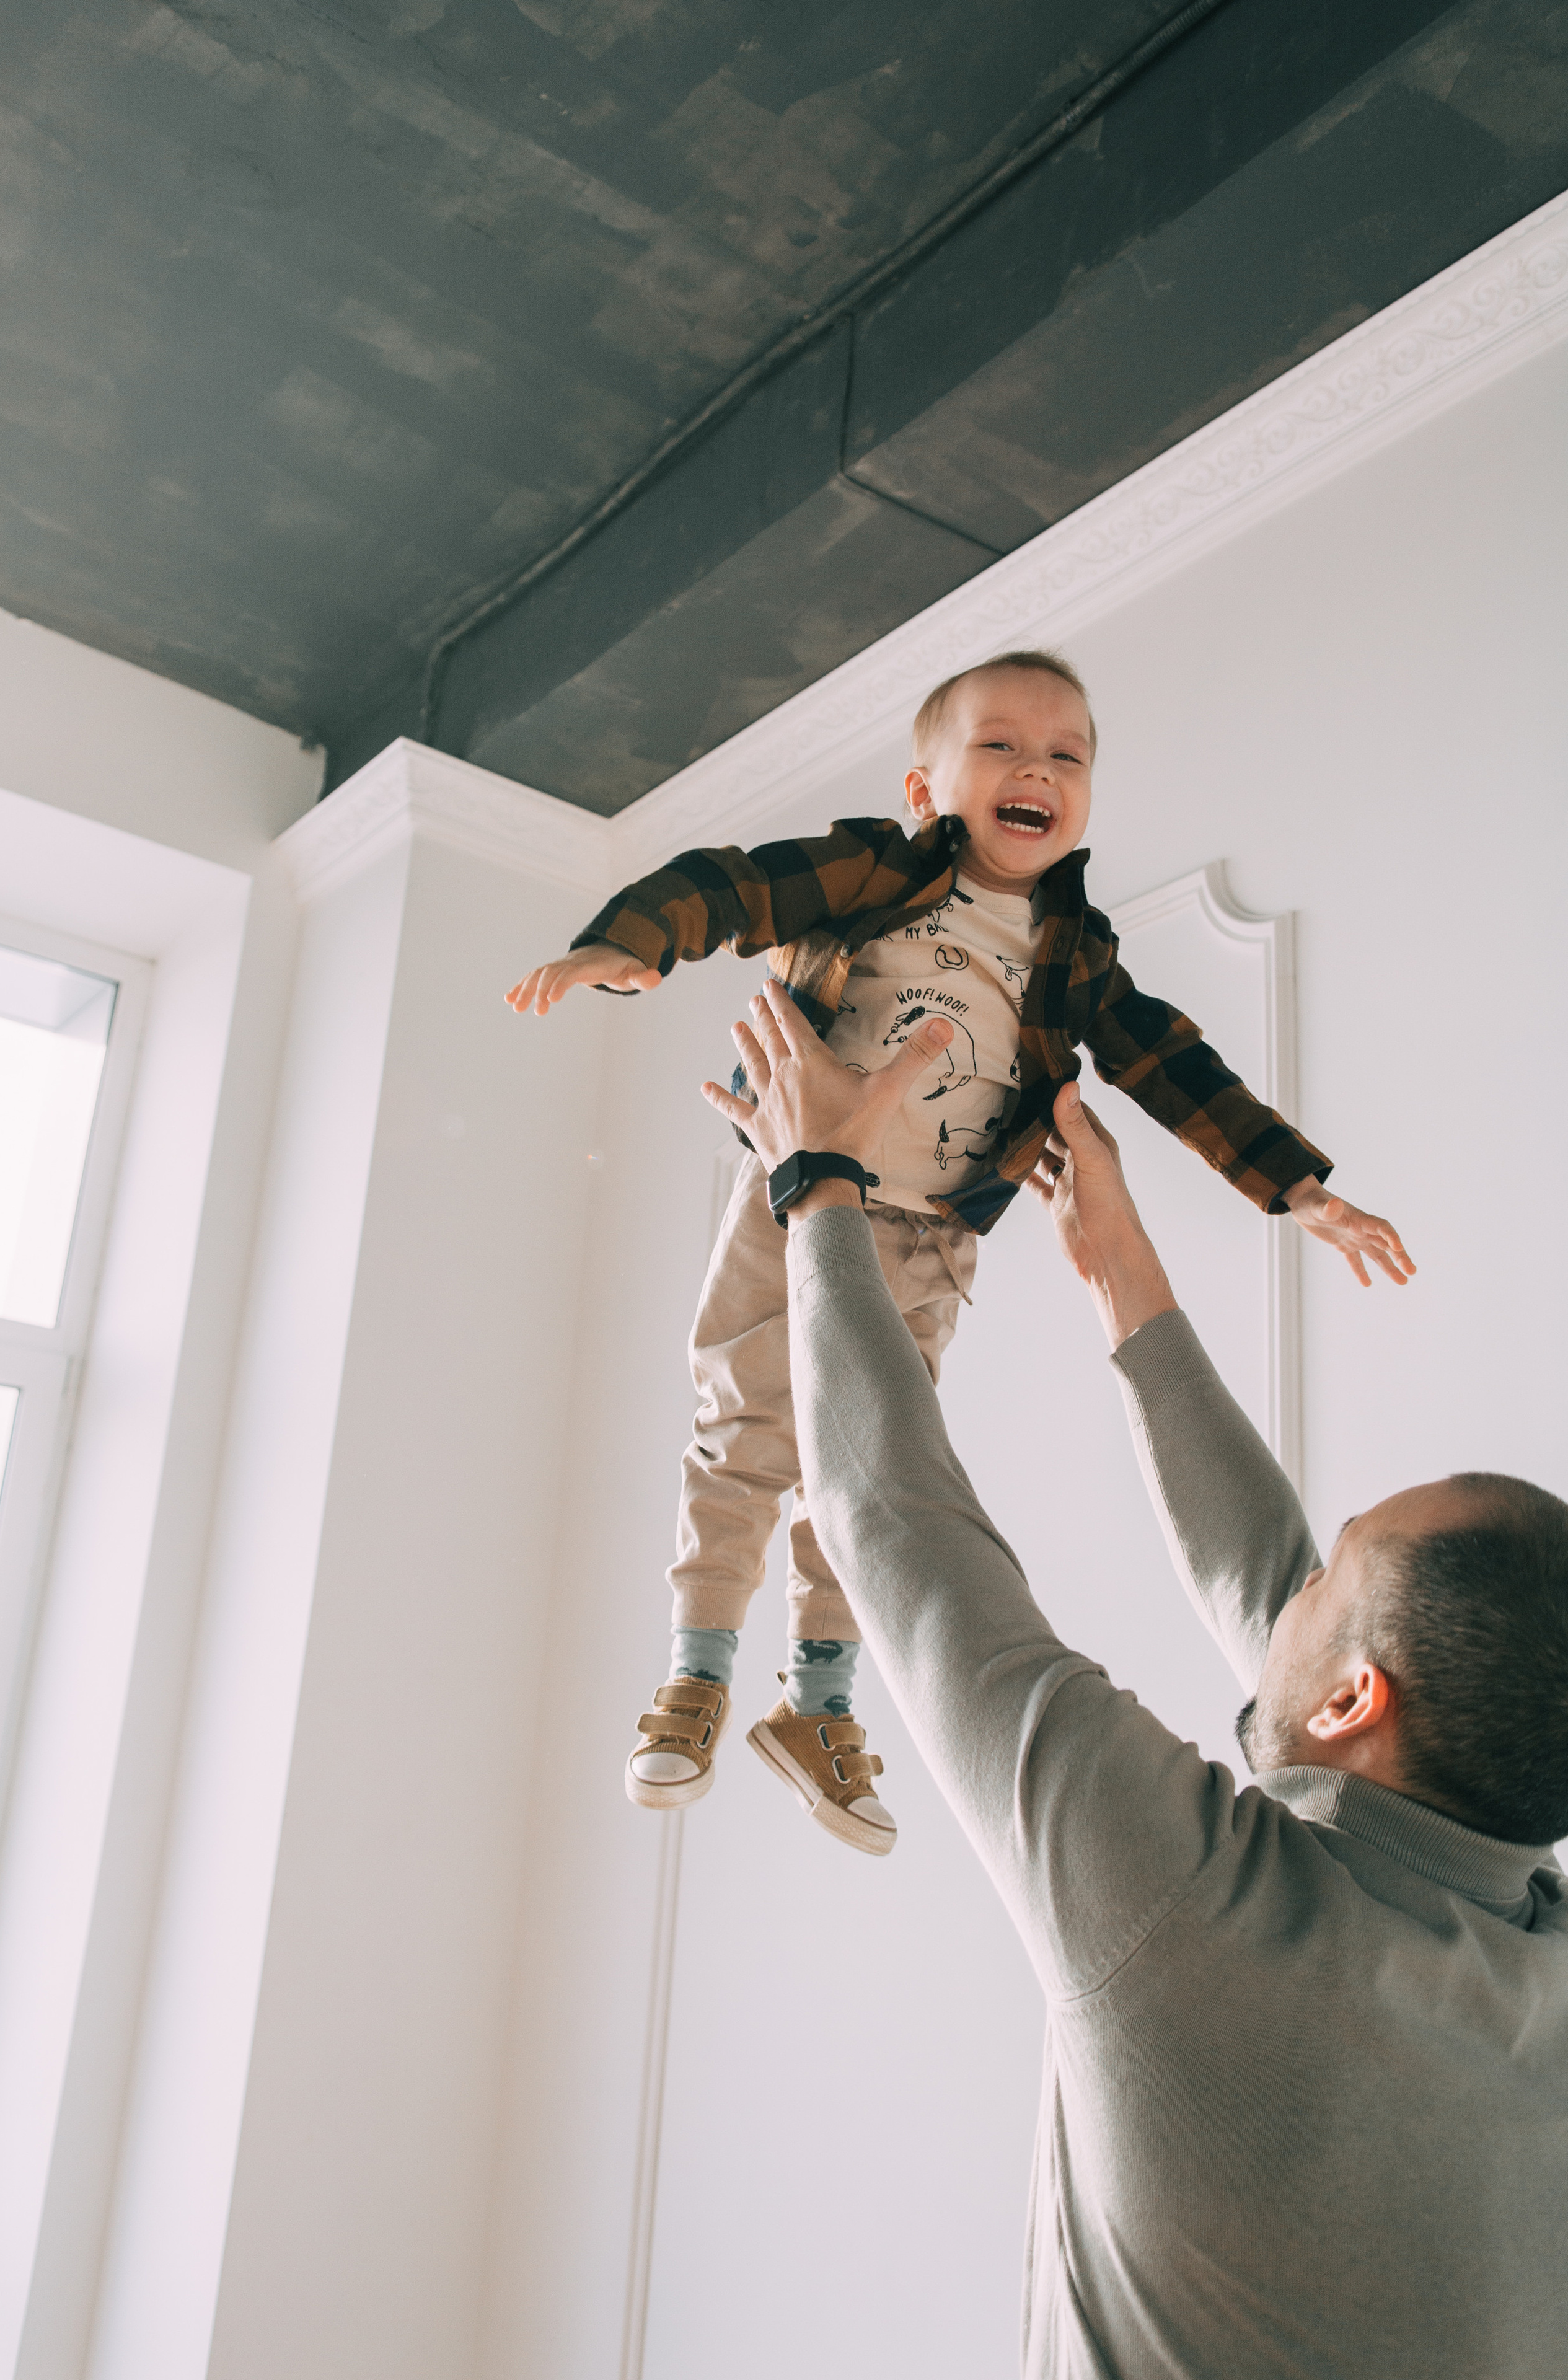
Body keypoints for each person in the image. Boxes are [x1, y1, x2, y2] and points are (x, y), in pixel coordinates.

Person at [705, 979, 1568, 2380]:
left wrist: (814, 1182)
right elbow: (1287, 1620)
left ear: (1357, 1702)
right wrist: (1124, 1283)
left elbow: (899, 1531)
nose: (1294, 1574)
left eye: (1327, 1568)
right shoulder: (1533, 1946)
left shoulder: (1186, 1908)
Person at [508, 650, 1411, 1854]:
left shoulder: (1070, 948)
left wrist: (1295, 1187)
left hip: (928, 1239)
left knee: (869, 1467)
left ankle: (816, 1706)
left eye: (1066, 755)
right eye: (1000, 746)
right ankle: (695, 1675)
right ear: (927, 789)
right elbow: (731, 889)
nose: (1035, 768)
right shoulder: (874, 867)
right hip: (795, 1189)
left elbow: (1165, 1059)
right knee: (746, 1436)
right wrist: (625, 945)